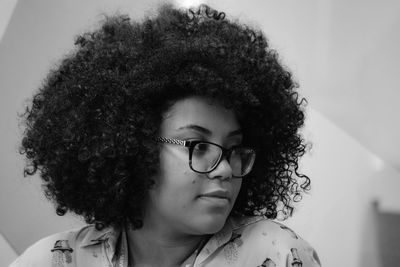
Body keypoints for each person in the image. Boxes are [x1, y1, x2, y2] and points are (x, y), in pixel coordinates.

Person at [11, 3, 321, 267]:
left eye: (234, 149)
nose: (226, 169)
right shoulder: (53, 260)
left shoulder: (278, 255)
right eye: (199, 146)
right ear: (133, 147)